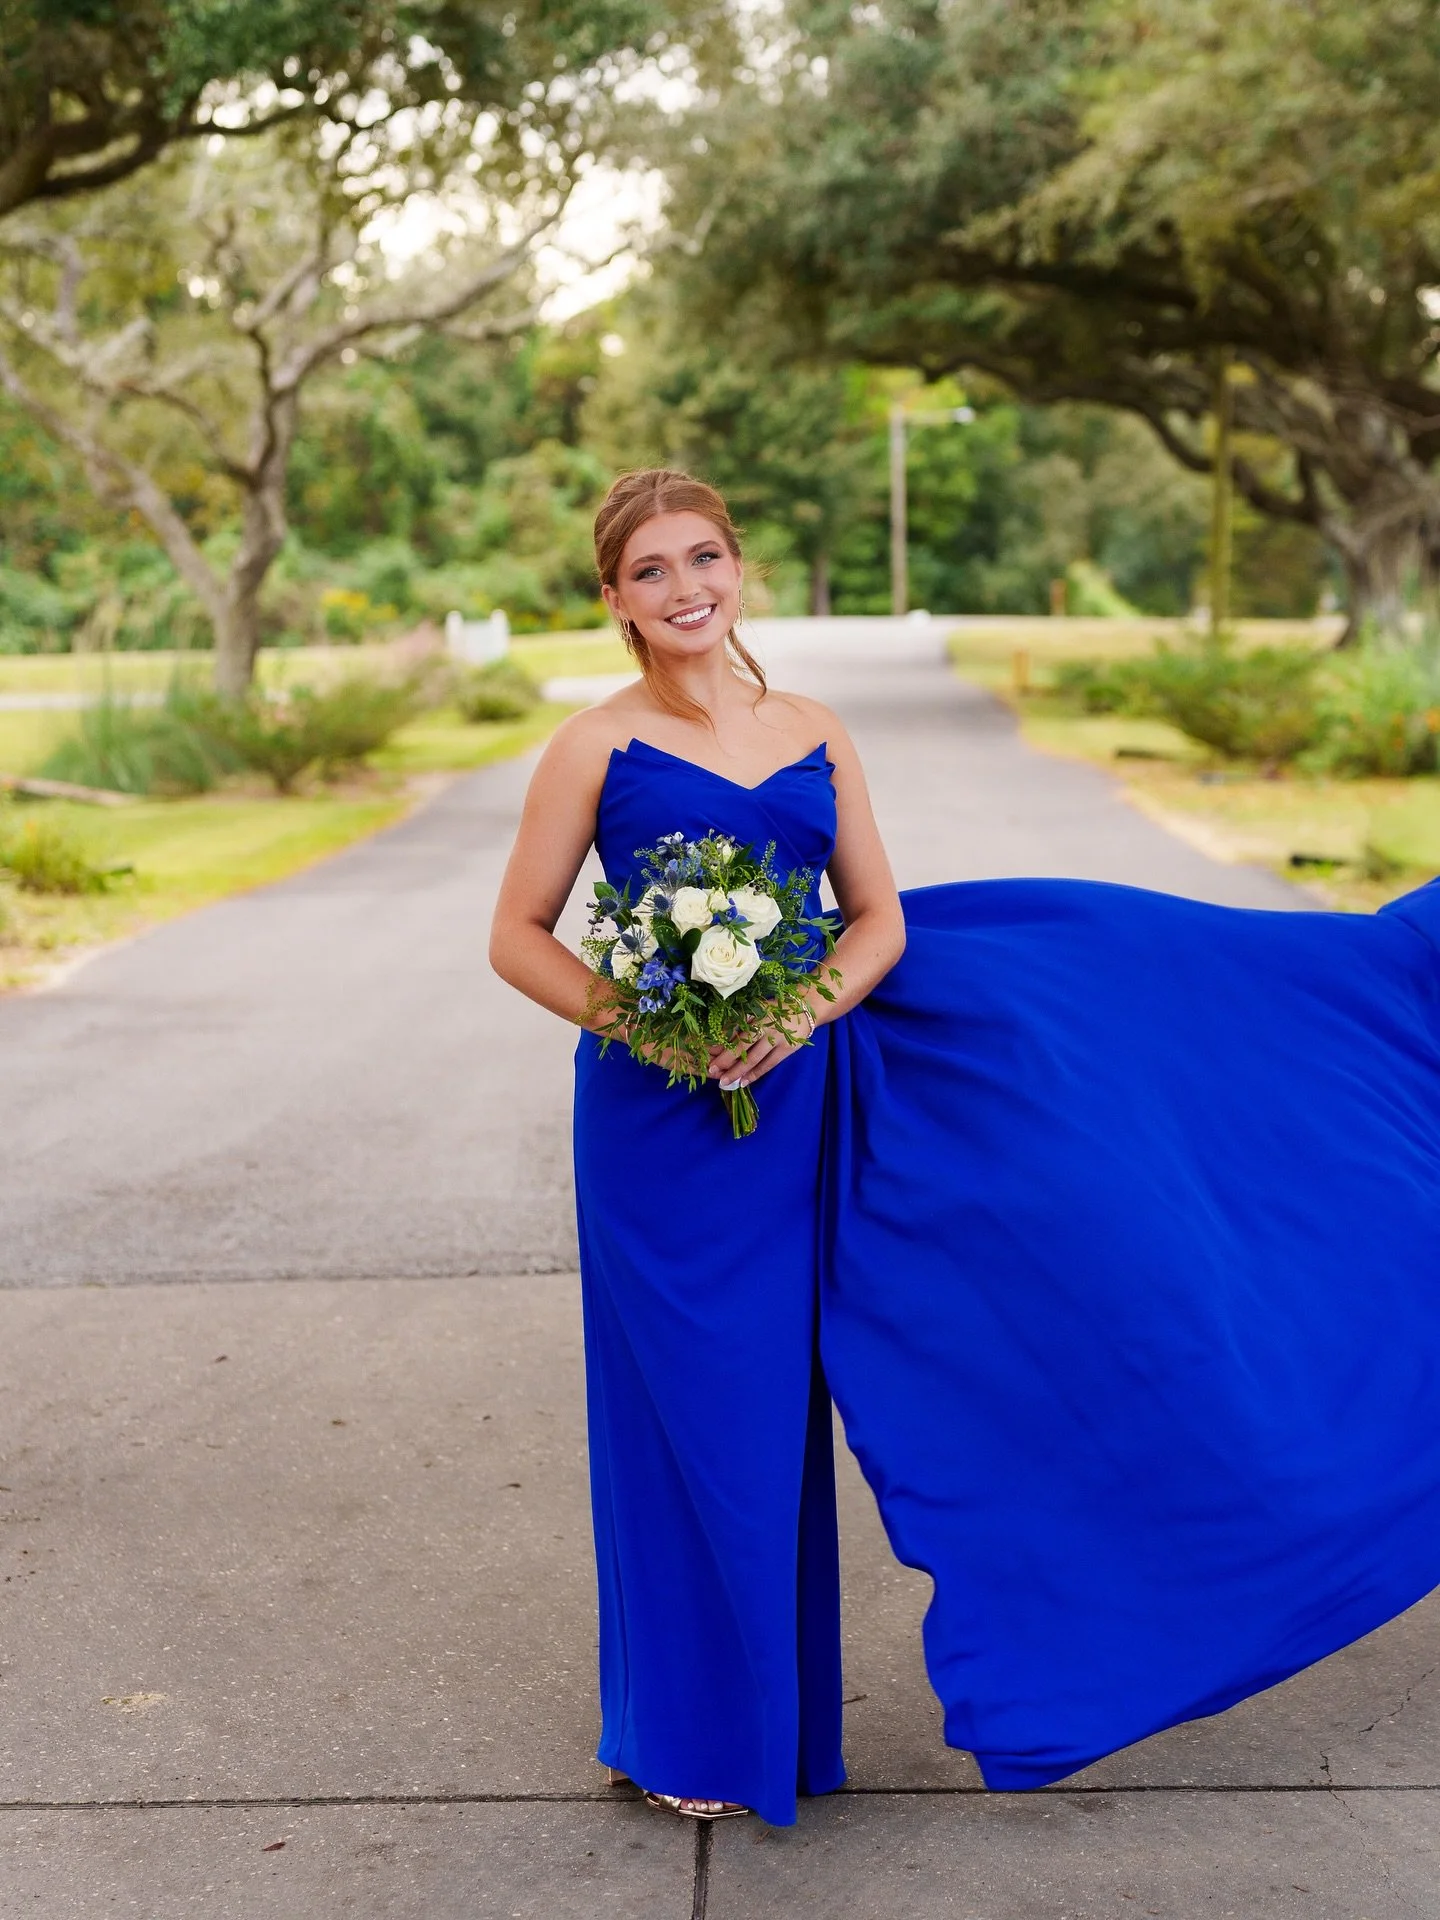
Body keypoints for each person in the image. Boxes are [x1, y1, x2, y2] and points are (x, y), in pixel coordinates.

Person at [489, 467, 1440, 1828]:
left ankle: (783, 1729)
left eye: (705, 557)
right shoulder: (593, 747)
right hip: (659, 1123)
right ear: (614, 598)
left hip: (806, 1096)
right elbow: (516, 934)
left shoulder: (812, 729)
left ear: (737, 567)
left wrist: (802, 1008)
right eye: (651, 571)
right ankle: (685, 1734)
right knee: (693, 1415)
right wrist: (657, 1031)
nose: (685, 588)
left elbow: (873, 918)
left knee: (817, 1397)